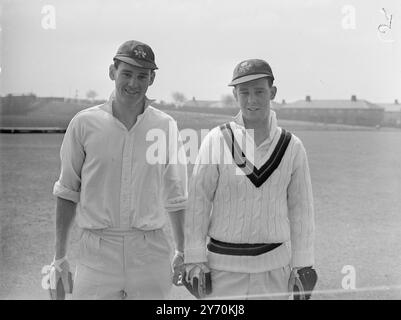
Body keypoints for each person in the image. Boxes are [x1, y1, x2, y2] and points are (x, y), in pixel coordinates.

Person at [47, 40, 188, 300]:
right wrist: (59, 258)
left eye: (142, 76)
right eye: (127, 74)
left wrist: (182, 251)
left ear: (152, 79)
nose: (134, 83)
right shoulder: (84, 123)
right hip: (97, 253)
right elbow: (67, 192)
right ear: (112, 72)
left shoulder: (165, 126)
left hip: (150, 252)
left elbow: (175, 193)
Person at [183, 59, 316, 300]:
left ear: (272, 92)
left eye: (259, 92)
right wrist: (194, 258)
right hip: (222, 270)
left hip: (274, 272)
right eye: (244, 92)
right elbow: (198, 201)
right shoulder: (217, 139)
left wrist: (303, 263)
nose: (252, 100)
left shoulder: (292, 146)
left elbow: (302, 210)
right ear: (235, 95)